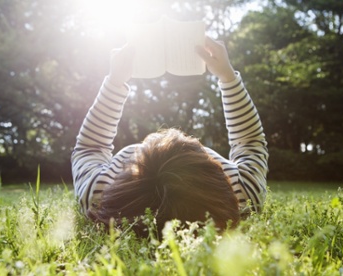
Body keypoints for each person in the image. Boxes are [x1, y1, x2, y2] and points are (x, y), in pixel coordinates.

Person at [71, 37, 268, 235]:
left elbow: (90, 147)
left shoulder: (101, 195)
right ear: (212, 172)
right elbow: (250, 142)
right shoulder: (240, 195)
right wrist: (228, 77)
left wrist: (114, 82)